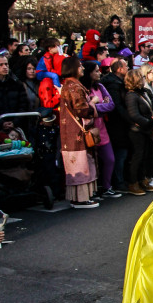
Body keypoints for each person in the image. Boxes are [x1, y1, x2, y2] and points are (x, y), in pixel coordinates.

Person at [59, 56, 99, 208]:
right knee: (81, 163)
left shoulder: (69, 85)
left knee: (80, 162)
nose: (82, 68)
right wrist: (93, 103)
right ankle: (81, 199)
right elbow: (82, 109)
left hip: (71, 132)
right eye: (80, 66)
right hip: (76, 133)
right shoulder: (74, 87)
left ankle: (81, 197)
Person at [81, 61, 120, 198]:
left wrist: (96, 107)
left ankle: (107, 186)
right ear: (89, 73)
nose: (99, 73)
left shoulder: (101, 86)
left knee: (110, 159)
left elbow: (111, 105)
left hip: (101, 128)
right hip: (88, 128)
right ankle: (94, 189)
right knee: (92, 161)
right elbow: (85, 109)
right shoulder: (83, 88)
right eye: (96, 71)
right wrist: (96, 106)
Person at [123, 68, 153, 196]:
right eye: (141, 77)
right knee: (138, 156)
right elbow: (134, 115)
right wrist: (149, 122)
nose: (144, 79)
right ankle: (133, 182)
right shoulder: (131, 95)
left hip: (146, 130)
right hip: (137, 131)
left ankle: (143, 179)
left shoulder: (142, 93)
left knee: (145, 156)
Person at [101, 58, 131, 192]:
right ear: (119, 69)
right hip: (116, 124)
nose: (128, 68)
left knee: (122, 153)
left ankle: (121, 179)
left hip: (120, 123)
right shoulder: (113, 85)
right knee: (120, 153)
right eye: (126, 66)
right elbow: (117, 106)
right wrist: (129, 118)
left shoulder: (118, 83)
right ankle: (118, 181)